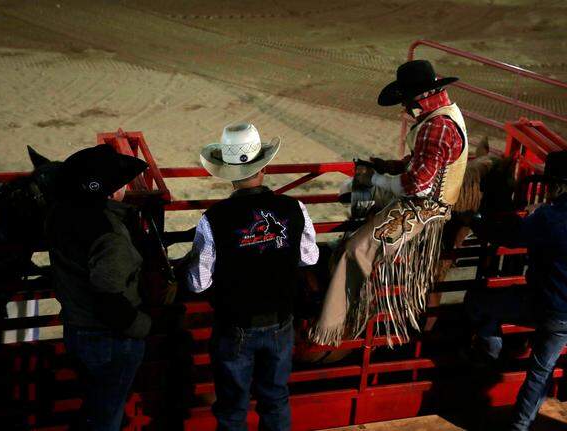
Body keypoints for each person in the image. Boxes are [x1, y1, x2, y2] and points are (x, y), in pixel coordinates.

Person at [310, 59, 468, 346]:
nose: (404, 109)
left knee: (357, 249)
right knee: (355, 191)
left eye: (405, 101)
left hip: (423, 209)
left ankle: (332, 325)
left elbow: (417, 186)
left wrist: (376, 179)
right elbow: (423, 166)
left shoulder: (436, 127)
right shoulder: (445, 116)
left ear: (417, 98)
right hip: (424, 200)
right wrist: (385, 170)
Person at [464, 151, 567, 431]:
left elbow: (511, 237)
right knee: (541, 368)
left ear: (555, 185)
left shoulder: (551, 216)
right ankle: (521, 425)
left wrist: (473, 220)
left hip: (548, 306)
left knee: (478, 300)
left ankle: (492, 355)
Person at [186, 123, 318, 431]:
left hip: (235, 326)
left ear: (228, 173)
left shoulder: (213, 219)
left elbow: (199, 282)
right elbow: (309, 257)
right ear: (264, 166)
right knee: (275, 399)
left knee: (233, 407)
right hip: (280, 321)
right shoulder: (294, 208)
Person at [45, 144, 152, 431]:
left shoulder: (59, 215)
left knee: (96, 406)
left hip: (76, 328)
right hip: (110, 338)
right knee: (107, 416)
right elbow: (109, 298)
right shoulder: (110, 234)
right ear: (112, 191)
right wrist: (143, 326)